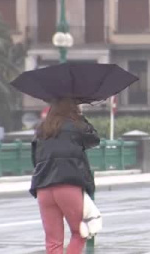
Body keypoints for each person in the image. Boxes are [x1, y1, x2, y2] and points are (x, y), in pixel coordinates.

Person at [30, 98, 100, 254]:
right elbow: (94, 139)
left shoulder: (42, 129)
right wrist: (80, 116)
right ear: (72, 107)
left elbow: (35, 159)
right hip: (68, 185)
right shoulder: (76, 126)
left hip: (43, 188)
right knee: (80, 232)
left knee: (53, 241)